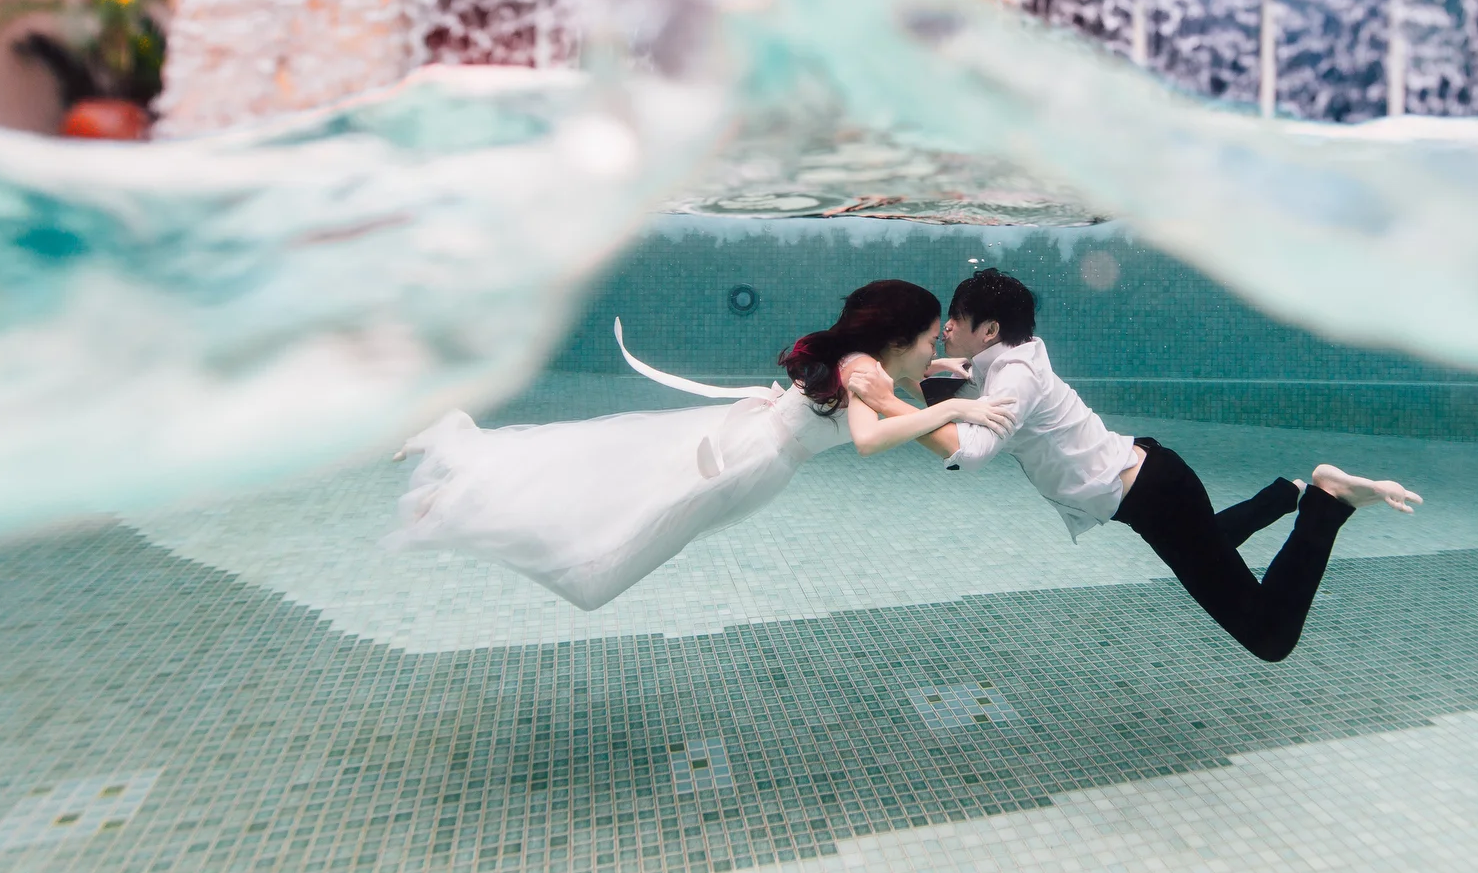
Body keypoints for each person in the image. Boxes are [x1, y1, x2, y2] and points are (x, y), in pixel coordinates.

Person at [876, 268, 1421, 663]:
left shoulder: (1014, 376)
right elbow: (957, 380)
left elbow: (969, 453)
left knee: (1268, 637)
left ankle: (1323, 501)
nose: (944, 330)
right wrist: (916, 376)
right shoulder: (1006, 360)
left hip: (1156, 494)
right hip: (1154, 486)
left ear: (989, 329)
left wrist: (885, 402)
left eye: (954, 320)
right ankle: (1286, 492)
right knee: (1203, 547)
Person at [384, 280, 1012, 610]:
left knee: (595, 513)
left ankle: (458, 469)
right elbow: (873, 440)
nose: (938, 353)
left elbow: (891, 395)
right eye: (932, 341)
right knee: (594, 575)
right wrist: (954, 406)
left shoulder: (865, 366)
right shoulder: (864, 371)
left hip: (748, 457)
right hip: (744, 462)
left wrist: (950, 378)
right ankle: (458, 464)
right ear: (896, 340)